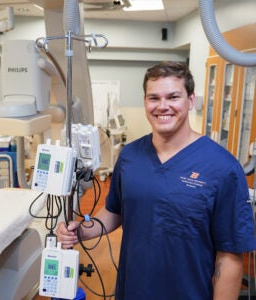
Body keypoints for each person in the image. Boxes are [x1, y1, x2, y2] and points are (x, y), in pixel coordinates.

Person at [56, 61, 256, 299]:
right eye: (154, 98)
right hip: (132, 290)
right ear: (145, 102)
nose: (163, 106)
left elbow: (230, 256)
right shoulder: (130, 156)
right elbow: (116, 210)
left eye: (173, 97)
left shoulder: (222, 167)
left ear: (190, 101)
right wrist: (82, 231)